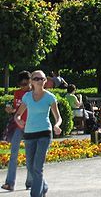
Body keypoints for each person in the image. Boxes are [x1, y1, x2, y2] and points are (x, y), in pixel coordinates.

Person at [14, 69, 62, 197]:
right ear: (31, 82)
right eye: (36, 79)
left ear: (45, 81)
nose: (39, 81)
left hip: (44, 133)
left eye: (42, 79)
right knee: (30, 166)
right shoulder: (27, 97)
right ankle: (43, 186)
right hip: (29, 134)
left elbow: (58, 117)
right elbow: (18, 114)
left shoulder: (50, 97)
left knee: (38, 166)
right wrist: (18, 120)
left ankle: (35, 194)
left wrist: (57, 125)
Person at [2, 70, 32, 192]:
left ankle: (30, 182)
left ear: (30, 81)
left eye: (25, 84)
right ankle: (10, 183)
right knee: (13, 154)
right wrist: (11, 110)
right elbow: (17, 109)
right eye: (21, 84)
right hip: (19, 127)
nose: (23, 87)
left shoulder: (35, 93)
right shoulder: (17, 93)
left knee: (30, 155)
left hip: (31, 127)